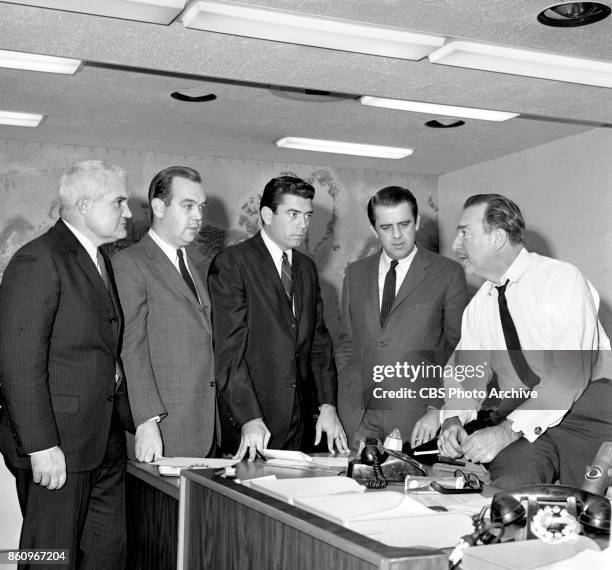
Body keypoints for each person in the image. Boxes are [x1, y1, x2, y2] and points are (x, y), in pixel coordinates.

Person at [0, 160, 134, 569]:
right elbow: (18, 360)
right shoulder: (39, 258)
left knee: (106, 556)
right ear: (83, 204)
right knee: (48, 559)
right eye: (119, 201)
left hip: (101, 442)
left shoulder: (99, 260)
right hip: (56, 445)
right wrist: (41, 445)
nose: (128, 212)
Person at [435, 193, 612, 488]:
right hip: (524, 416)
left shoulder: (561, 280)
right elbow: (465, 377)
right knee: (509, 486)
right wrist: (452, 420)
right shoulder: (479, 307)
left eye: (465, 233)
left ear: (498, 237)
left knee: (590, 510)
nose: (455, 245)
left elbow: (568, 380)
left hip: (587, 410)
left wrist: (506, 432)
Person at [208, 175, 348, 460]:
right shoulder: (233, 263)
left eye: (307, 216)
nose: (303, 224)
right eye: (293, 214)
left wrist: (327, 406)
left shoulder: (307, 269)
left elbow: (319, 344)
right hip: (254, 427)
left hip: (303, 428)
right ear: (267, 215)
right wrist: (248, 417)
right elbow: (228, 352)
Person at [336, 186, 467, 448]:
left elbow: (459, 349)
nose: (397, 236)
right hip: (358, 417)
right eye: (386, 227)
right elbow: (346, 342)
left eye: (404, 224)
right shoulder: (355, 273)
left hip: (416, 418)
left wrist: (437, 409)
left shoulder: (448, 273)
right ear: (374, 229)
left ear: (417, 222)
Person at [112, 166, 217, 461]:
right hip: (163, 432)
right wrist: (147, 421)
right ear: (159, 207)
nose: (198, 215)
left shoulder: (193, 266)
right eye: (188, 205)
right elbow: (130, 347)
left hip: (204, 427)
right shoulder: (130, 264)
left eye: (201, 207)